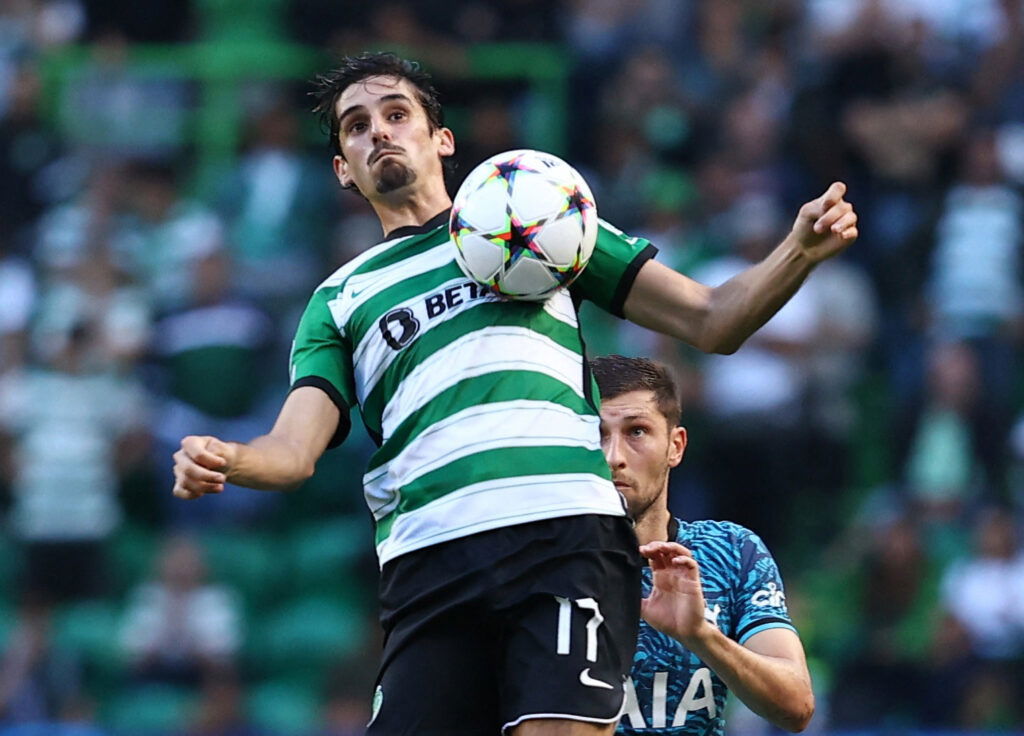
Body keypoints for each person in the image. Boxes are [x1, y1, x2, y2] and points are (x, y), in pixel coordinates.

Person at [171, 52, 857, 736]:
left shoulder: (539, 211)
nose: (377, 131)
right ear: (342, 170)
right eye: (354, 127)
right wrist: (229, 459)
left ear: (441, 138)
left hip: (562, 539)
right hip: (428, 562)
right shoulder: (338, 299)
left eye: (396, 113)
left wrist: (795, 250)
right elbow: (293, 453)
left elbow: (712, 318)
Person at [591, 355, 814, 734]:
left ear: (675, 446)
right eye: (596, 434)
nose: (614, 457)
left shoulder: (731, 551)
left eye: (637, 432)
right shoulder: (532, 561)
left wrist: (702, 636)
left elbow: (796, 706)